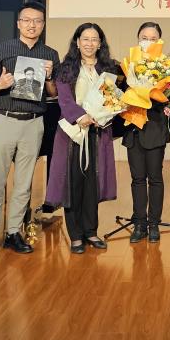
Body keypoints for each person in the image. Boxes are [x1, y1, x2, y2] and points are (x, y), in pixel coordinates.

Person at [0, 1, 59, 257]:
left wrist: (50, 77)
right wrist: (0, 84)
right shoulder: (3, 48)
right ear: (18, 23)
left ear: (43, 25)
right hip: (4, 119)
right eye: (27, 20)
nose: (32, 25)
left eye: (37, 21)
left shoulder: (50, 54)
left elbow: (53, 93)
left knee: (24, 182)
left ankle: (14, 232)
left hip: (34, 122)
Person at [46, 23, 120, 254]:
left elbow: (110, 98)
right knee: (73, 184)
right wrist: (81, 116)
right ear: (77, 42)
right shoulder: (66, 68)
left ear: (100, 43)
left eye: (94, 39)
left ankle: (91, 231)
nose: (89, 43)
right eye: (85, 39)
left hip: (98, 132)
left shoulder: (108, 68)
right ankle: (76, 235)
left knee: (92, 183)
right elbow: (64, 99)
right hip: (72, 133)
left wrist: (104, 114)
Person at [122, 22, 170, 244]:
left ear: (159, 41)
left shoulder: (165, 67)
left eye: (153, 39)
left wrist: (152, 92)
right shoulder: (129, 64)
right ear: (138, 39)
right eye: (144, 37)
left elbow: (167, 97)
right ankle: (139, 223)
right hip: (133, 127)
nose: (148, 42)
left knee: (156, 178)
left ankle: (154, 224)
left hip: (154, 128)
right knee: (137, 179)